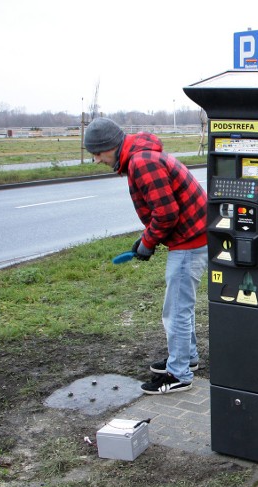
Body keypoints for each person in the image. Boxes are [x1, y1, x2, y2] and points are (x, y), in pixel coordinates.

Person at [84, 117, 208, 395]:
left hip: (190, 240)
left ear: (109, 147)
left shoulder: (142, 163)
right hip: (190, 237)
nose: (96, 160)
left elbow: (166, 213)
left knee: (175, 310)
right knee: (178, 307)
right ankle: (186, 358)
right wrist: (146, 239)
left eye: (96, 153)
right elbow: (162, 210)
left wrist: (149, 243)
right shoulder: (141, 157)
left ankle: (179, 374)